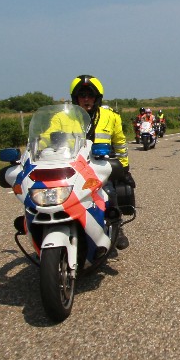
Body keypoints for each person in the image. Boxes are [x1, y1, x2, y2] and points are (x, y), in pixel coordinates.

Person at [68, 75, 132, 250]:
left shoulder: (111, 116)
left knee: (109, 192)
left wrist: (124, 168)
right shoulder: (64, 118)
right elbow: (46, 140)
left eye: (90, 95)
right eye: (82, 95)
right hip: (71, 167)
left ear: (97, 98)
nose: (86, 99)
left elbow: (120, 144)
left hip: (100, 167)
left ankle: (117, 226)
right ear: (75, 98)